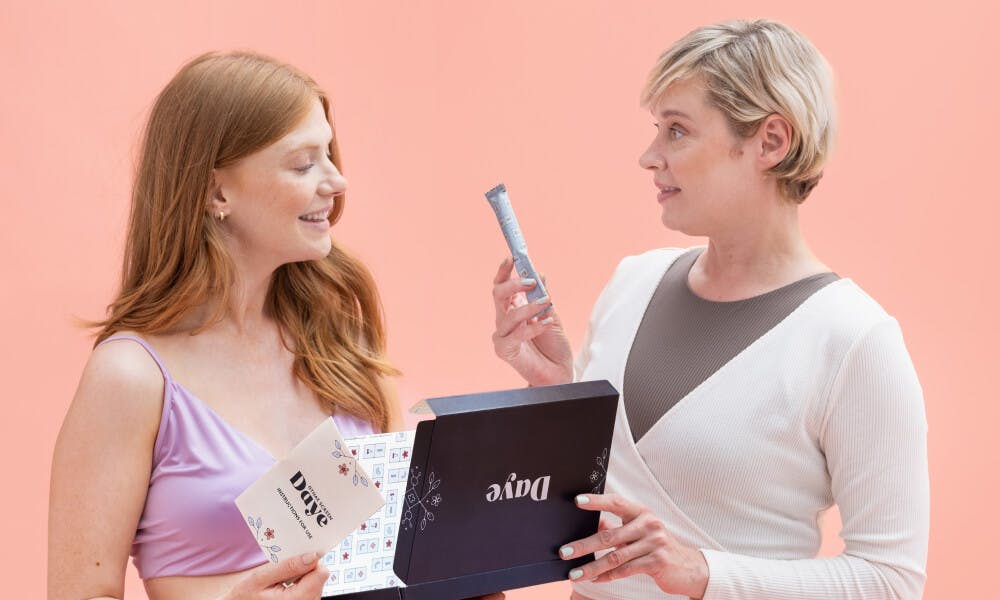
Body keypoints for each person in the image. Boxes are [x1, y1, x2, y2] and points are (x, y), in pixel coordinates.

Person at [490, 19, 928, 599]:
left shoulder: (852, 340)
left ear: (771, 142)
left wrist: (702, 572)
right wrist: (558, 391)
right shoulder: (632, 284)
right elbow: (594, 505)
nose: (650, 156)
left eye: (677, 131)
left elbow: (891, 582)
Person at [47, 51, 402, 600]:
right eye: (303, 163)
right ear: (217, 193)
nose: (336, 181)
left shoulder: (339, 341)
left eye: (328, 154)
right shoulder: (132, 377)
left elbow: (398, 552)